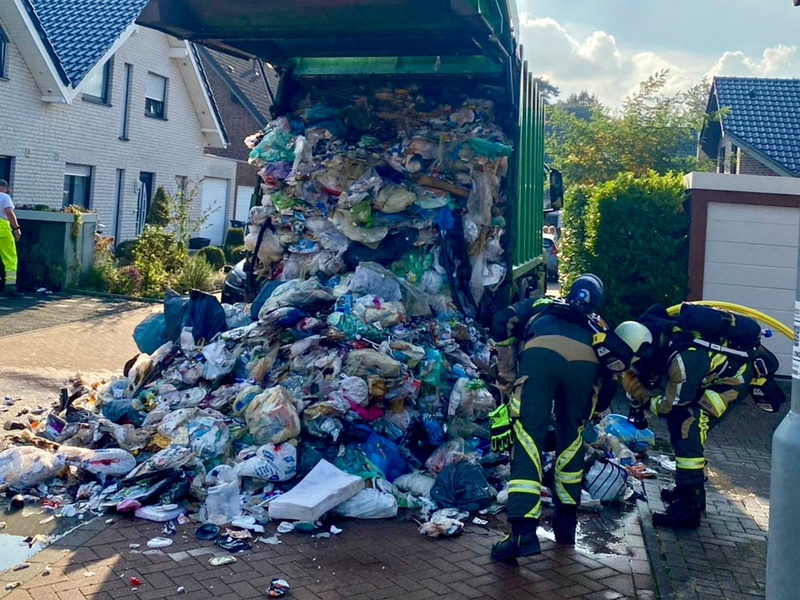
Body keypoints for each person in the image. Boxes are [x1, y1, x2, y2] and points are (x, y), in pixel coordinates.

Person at [489, 274, 620, 562]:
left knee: (527, 440)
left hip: (540, 358)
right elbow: (611, 373)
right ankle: (566, 525)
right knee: (571, 441)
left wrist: (508, 373)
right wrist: (595, 411)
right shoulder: (598, 323)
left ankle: (522, 534)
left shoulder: (544, 302)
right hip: (584, 367)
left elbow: (502, 320)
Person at [617, 307, 756, 528]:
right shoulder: (659, 338)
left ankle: (689, 508)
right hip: (711, 377)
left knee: (688, 424)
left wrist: (643, 397)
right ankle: (688, 491)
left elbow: (670, 406)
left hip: (731, 382)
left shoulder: (682, 358)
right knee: (682, 424)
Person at [0, 180, 20, 295]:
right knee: (10, 257)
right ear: (5, 188)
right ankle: (10, 287)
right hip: (2, 229)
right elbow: (9, 212)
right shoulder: (4, 197)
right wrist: (16, 228)